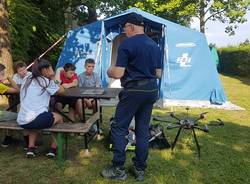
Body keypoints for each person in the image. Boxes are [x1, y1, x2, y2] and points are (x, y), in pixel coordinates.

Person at [101, 13, 162, 181]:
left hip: (133, 91)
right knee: (142, 129)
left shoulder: (127, 44)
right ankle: (140, 168)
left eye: (125, 28)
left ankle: (118, 169)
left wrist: (109, 71)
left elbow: (118, 73)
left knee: (119, 128)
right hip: (151, 90)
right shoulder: (154, 45)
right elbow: (158, 73)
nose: (124, 31)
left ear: (131, 27)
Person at [17, 59, 65, 158]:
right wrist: (52, 77)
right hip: (35, 119)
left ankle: (31, 148)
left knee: (37, 117)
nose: (52, 69)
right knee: (59, 118)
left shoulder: (27, 78)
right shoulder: (45, 81)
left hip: (22, 119)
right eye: (51, 67)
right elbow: (62, 91)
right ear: (45, 70)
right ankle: (53, 148)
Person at [1, 60, 31, 147]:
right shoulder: (14, 77)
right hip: (18, 96)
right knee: (20, 116)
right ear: (17, 72)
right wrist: (10, 80)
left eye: (24, 69)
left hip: (27, 98)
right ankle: (27, 140)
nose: (23, 72)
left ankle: (9, 137)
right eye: (2, 74)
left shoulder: (30, 75)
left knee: (19, 112)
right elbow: (17, 90)